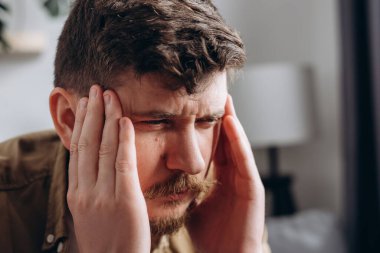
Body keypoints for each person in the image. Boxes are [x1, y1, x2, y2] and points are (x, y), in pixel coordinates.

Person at [0, 0, 270, 252]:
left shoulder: (224, 205)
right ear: (69, 120)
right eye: (157, 122)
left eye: (207, 120)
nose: (193, 163)